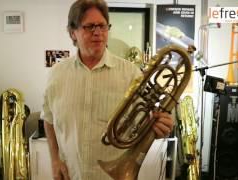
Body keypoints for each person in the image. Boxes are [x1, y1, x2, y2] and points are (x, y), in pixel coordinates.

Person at [41, 0, 174, 179]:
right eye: (89, 27)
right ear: (73, 33)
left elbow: (144, 125)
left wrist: (157, 127)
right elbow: (48, 120)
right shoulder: (56, 75)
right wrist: (55, 160)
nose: (98, 32)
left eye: (103, 26)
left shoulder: (130, 74)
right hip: (71, 175)